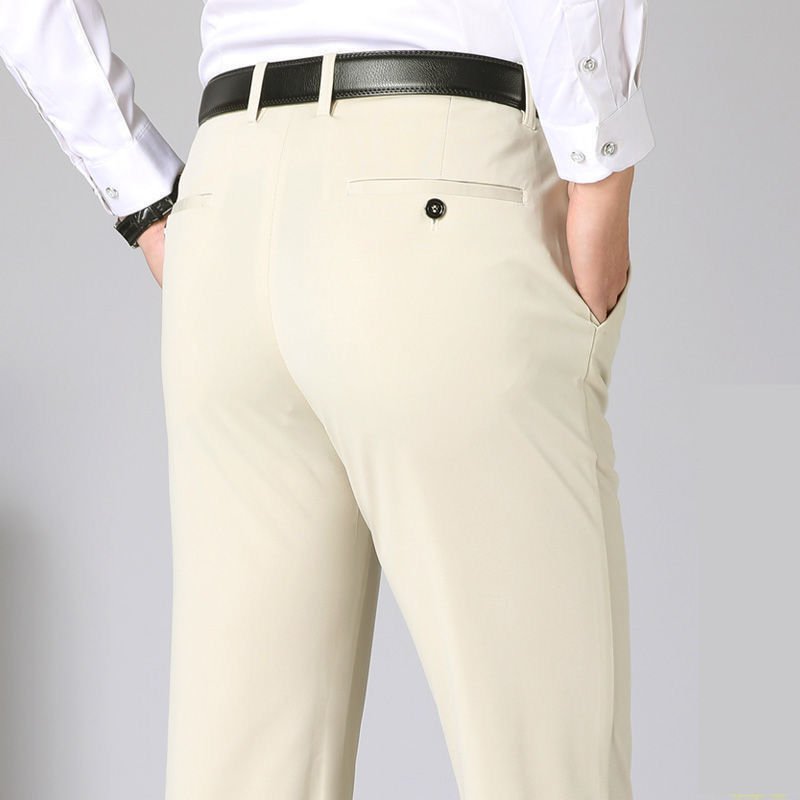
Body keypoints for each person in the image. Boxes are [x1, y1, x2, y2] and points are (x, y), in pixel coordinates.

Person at [0, 1, 655, 798]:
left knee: (242, 775)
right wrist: (599, 167)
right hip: (442, 165)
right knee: (547, 771)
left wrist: (139, 191)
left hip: (229, 202)